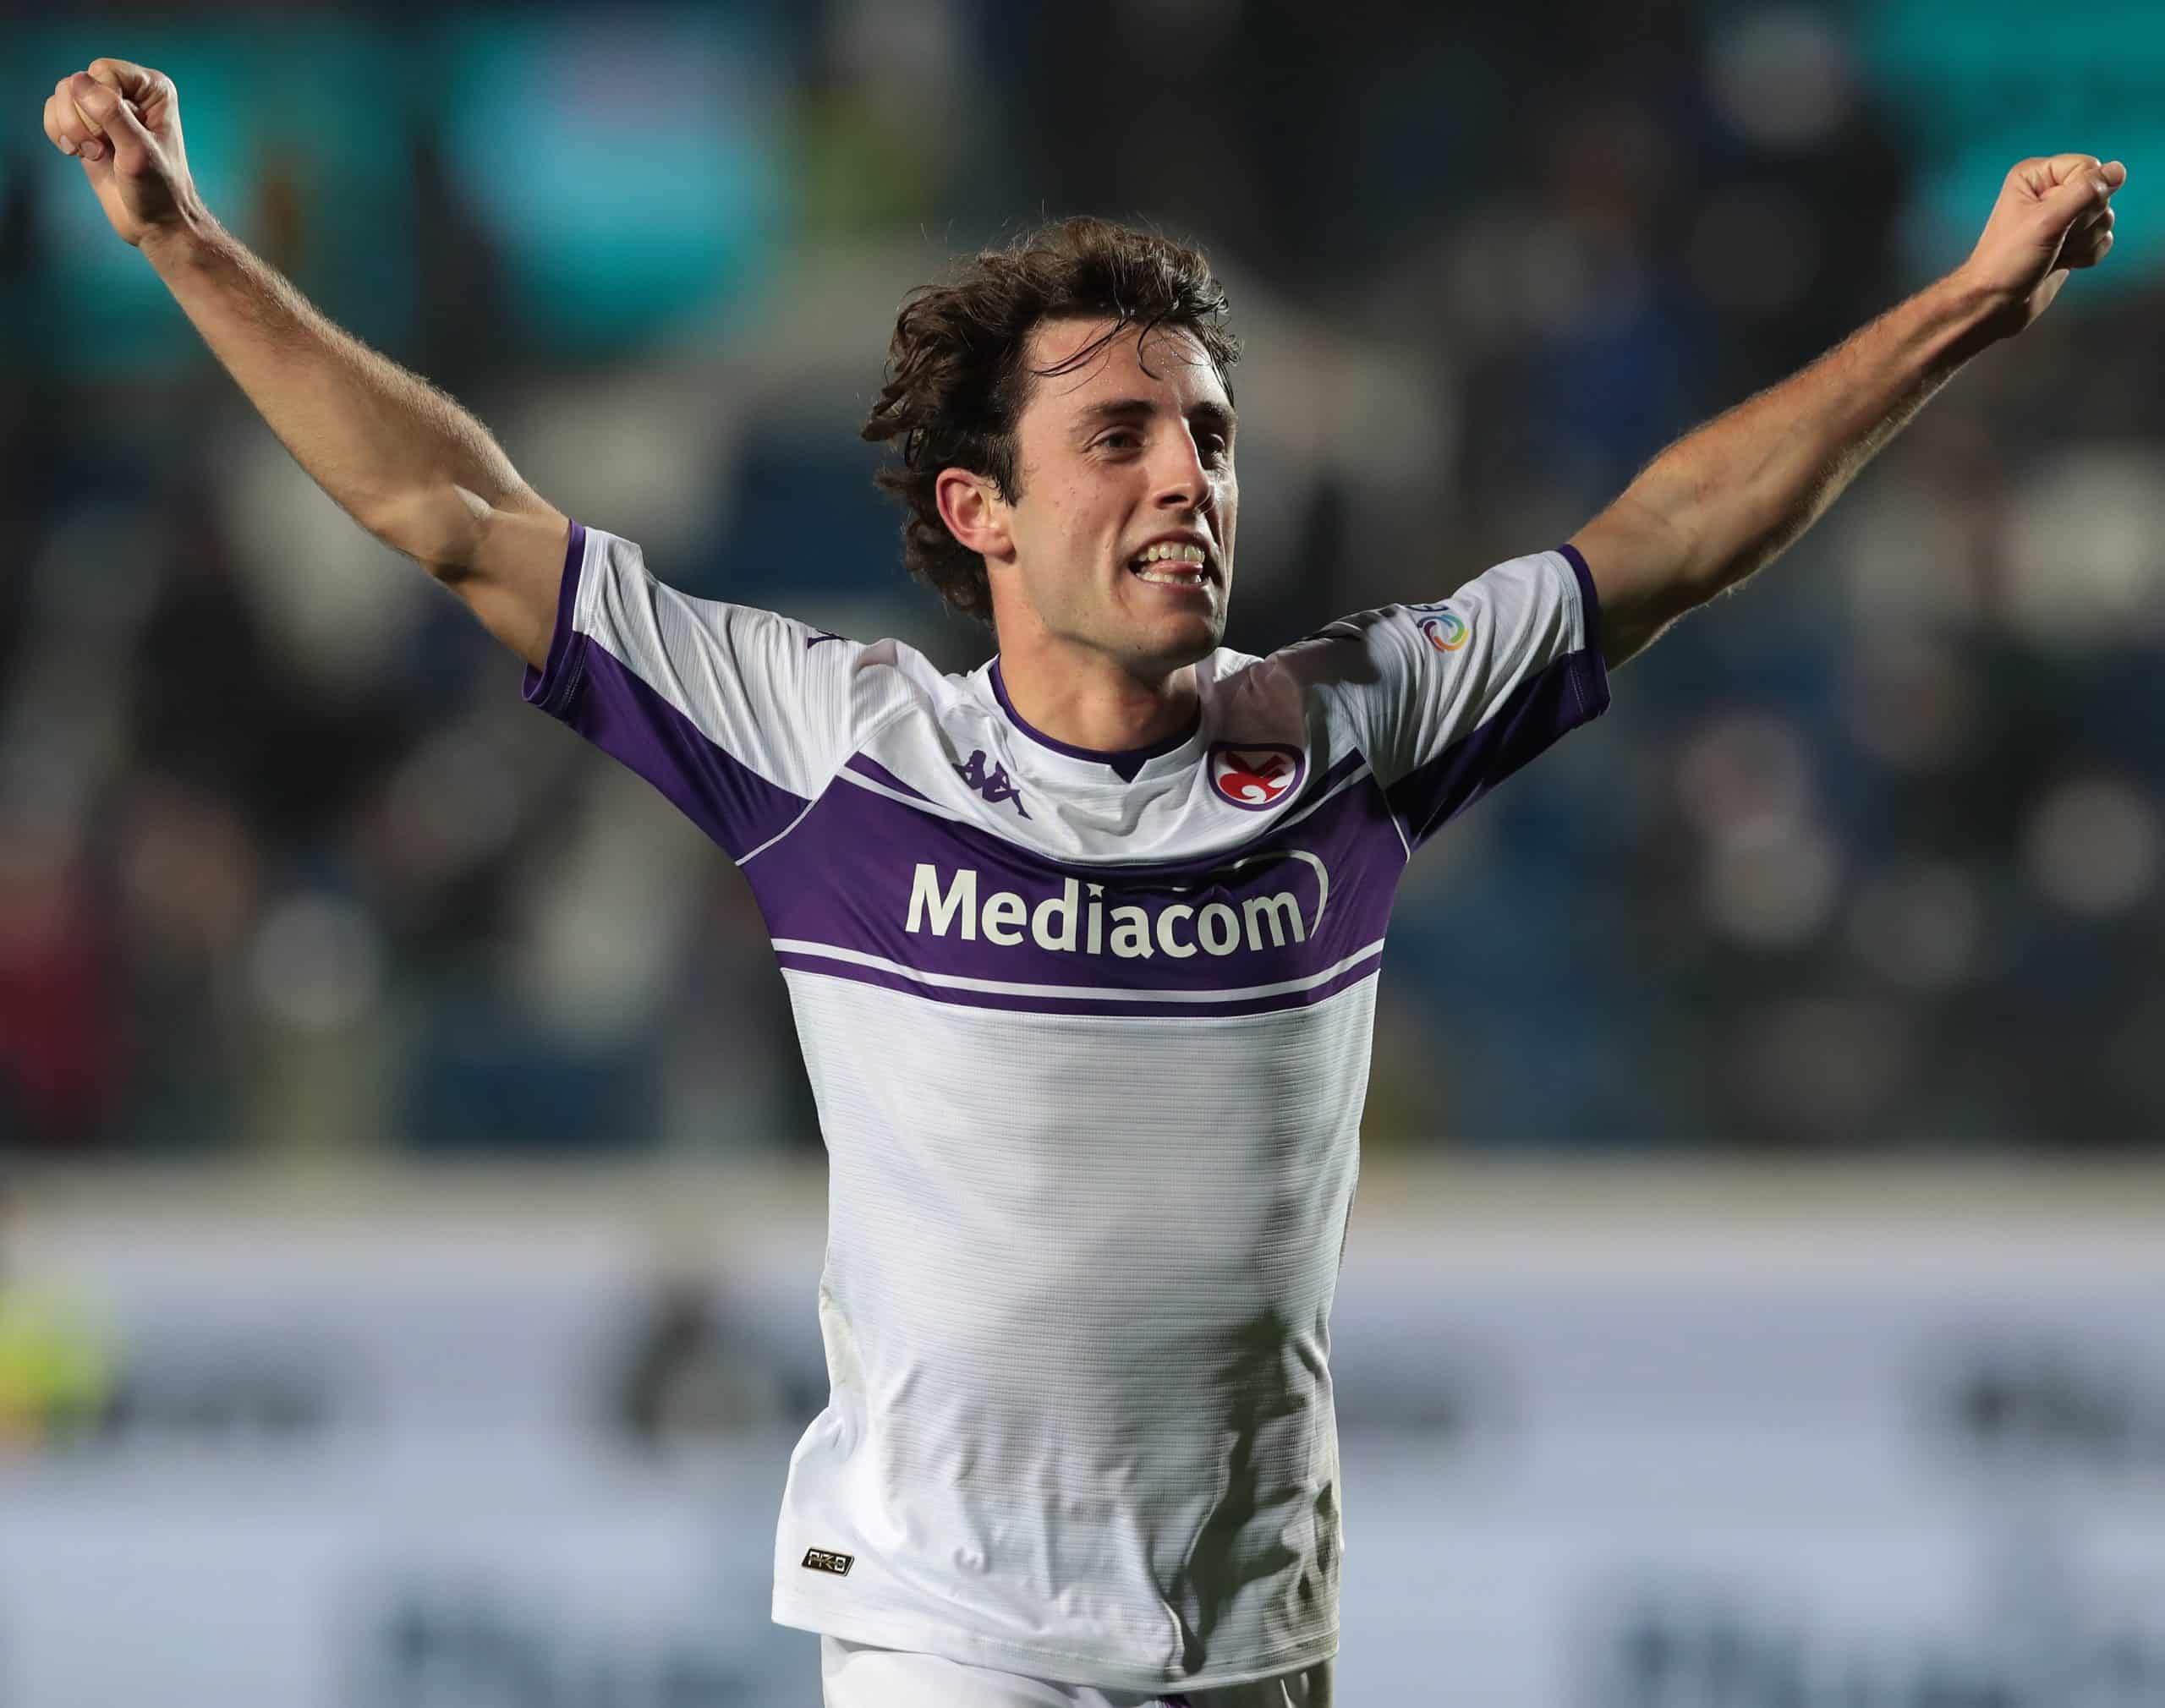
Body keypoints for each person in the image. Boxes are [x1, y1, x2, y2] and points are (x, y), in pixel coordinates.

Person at [44, 55, 2125, 1708]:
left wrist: (1962, 309)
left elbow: (1664, 536)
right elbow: (455, 511)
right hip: (950, 1633)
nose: (1183, 477)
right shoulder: (832, 742)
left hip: (1253, 1638)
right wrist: (186, 244)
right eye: (1118, 436)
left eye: (1205, 435)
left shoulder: (1348, 726)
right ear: (982, 509)